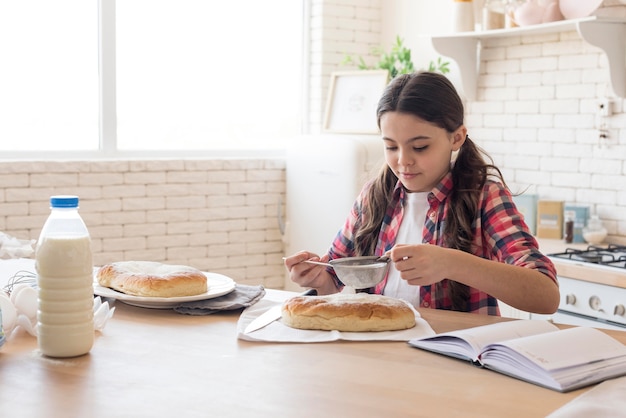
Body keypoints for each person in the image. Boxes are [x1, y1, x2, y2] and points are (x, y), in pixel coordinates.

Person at [284, 71, 559, 315]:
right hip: (383, 359)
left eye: (420, 147)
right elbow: (336, 276)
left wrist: (452, 263)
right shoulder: (375, 195)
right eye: (391, 147)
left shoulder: (484, 197)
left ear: (456, 138)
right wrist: (317, 277)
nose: (403, 161)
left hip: (455, 365)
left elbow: (545, 295)